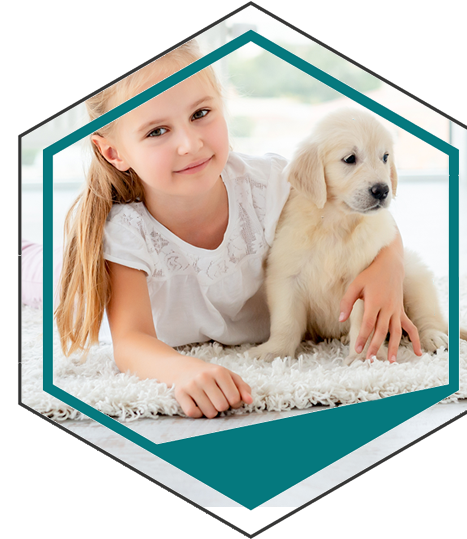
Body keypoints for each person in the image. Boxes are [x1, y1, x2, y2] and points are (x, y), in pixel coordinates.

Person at [23, 40, 421, 419]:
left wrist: (389, 266)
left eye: (200, 114)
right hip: (53, 272)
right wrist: (181, 370)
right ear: (114, 152)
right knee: (36, 273)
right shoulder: (124, 232)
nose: (191, 144)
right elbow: (130, 342)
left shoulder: (270, 181)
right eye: (157, 131)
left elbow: (366, 215)